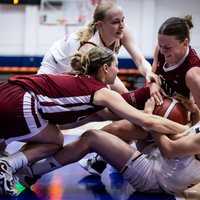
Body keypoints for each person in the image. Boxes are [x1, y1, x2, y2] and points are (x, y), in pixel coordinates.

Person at [0, 46, 187, 197]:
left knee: (39, 136)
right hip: (22, 101)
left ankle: (15, 175)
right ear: (105, 68)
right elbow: (146, 121)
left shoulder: (80, 80)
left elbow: (110, 115)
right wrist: (187, 129)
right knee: (55, 140)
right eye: (116, 66)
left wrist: (153, 90)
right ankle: (9, 165)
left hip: (7, 91)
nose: (119, 70)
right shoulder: (102, 91)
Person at [78, 14, 200, 175]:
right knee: (107, 109)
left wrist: (188, 130)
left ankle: (95, 156)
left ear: (185, 43)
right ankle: (98, 155)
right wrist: (153, 86)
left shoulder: (193, 74)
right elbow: (153, 75)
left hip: (171, 113)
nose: (163, 50)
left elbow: (198, 117)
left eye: (168, 47)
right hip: (153, 96)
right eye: (160, 45)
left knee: (120, 127)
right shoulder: (162, 48)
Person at [11, 97, 200, 195]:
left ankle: (31, 173)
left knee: (92, 137)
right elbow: (188, 134)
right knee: (130, 127)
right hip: (166, 163)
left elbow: (168, 149)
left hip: (155, 180)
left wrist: (151, 118)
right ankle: (100, 158)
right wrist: (194, 112)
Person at [37, 1, 160, 95]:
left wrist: (149, 73)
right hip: (54, 65)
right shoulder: (90, 45)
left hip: (73, 67)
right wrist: (130, 98)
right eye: (116, 22)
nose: (122, 25)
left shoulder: (122, 30)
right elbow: (111, 78)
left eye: (123, 20)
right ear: (101, 25)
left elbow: (140, 61)